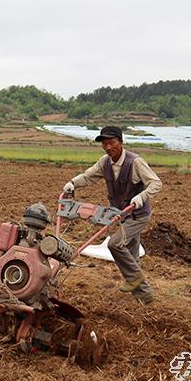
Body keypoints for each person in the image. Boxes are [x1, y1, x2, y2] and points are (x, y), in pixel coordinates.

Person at [63, 126, 162, 304]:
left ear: (121, 142)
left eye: (112, 142)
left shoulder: (135, 162)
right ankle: (145, 298)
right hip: (122, 214)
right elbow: (88, 177)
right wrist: (72, 183)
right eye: (105, 144)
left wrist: (141, 197)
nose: (108, 147)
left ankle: (136, 280)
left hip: (138, 215)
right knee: (131, 256)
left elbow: (155, 183)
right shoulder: (104, 162)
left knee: (115, 244)